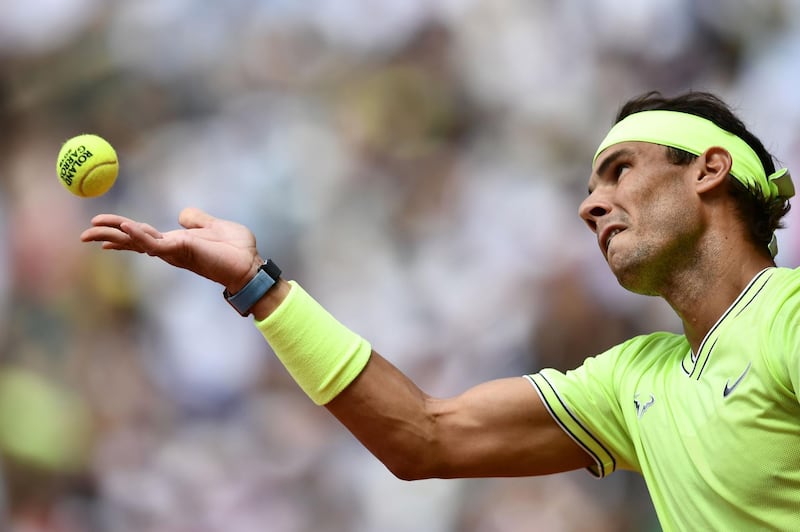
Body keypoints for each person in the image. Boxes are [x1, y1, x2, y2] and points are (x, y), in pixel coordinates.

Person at [80, 91, 799, 531]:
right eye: (590, 186)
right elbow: (424, 437)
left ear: (707, 170)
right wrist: (258, 287)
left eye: (620, 170)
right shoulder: (634, 380)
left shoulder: (787, 319)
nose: (590, 204)